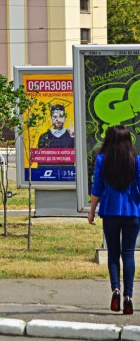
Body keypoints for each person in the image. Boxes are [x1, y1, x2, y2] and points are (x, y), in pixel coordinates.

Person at [89, 124, 140, 315]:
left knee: (112, 253)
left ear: (108, 140)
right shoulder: (136, 161)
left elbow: (97, 188)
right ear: (128, 141)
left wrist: (92, 212)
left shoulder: (102, 160)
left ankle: (116, 291)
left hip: (110, 211)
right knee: (128, 254)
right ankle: (128, 297)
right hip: (132, 212)